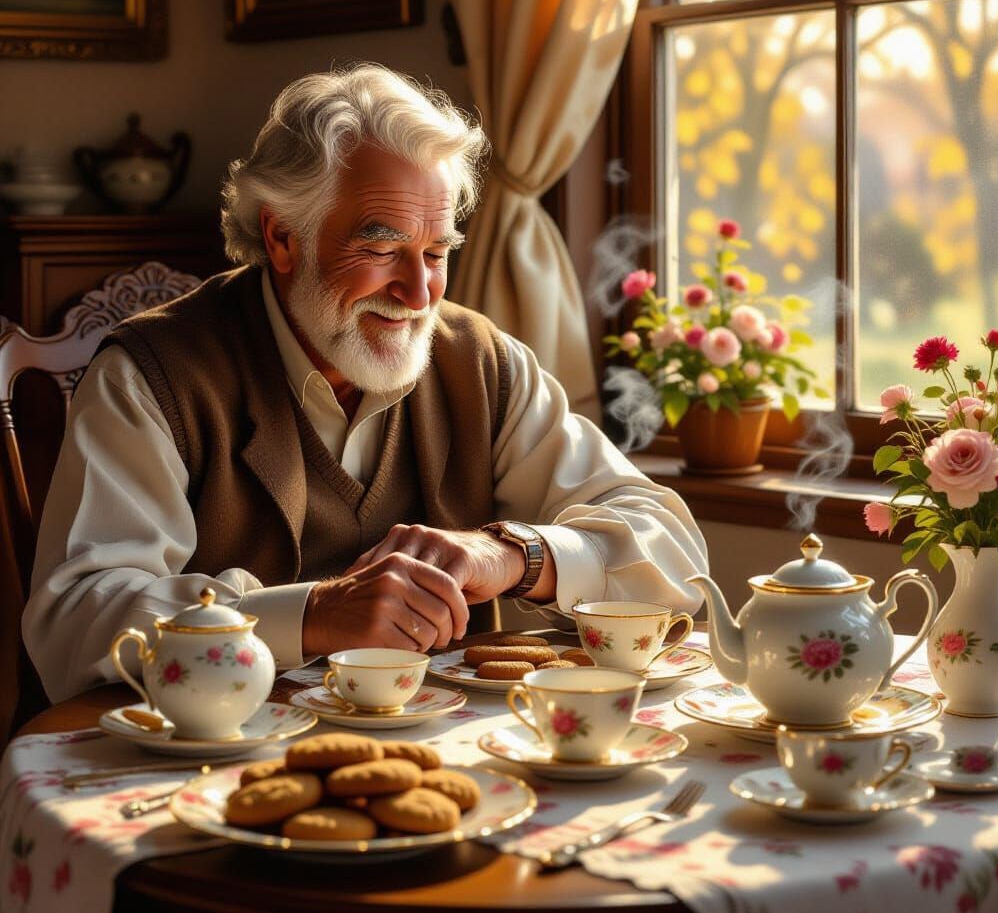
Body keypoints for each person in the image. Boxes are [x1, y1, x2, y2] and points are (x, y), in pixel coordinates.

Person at [23, 64, 708, 703]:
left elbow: (675, 557)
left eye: (436, 252)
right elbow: (76, 619)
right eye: (381, 250)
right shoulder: (152, 376)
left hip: (455, 757)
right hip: (207, 773)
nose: (418, 293)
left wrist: (512, 555)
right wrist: (310, 615)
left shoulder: (481, 362)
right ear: (284, 238)